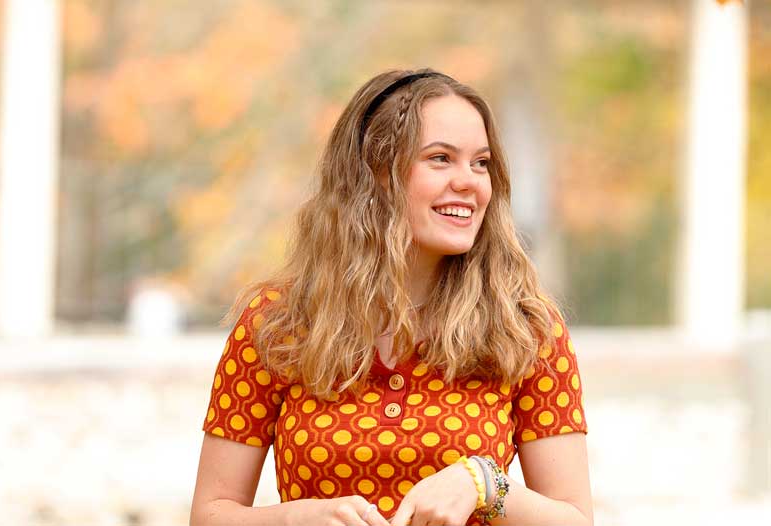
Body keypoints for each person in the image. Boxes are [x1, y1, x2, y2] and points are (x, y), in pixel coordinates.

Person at [190, 68, 592, 526]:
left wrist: (484, 483)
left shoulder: (525, 327)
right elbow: (210, 515)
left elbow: (576, 519)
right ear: (375, 173)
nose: (470, 182)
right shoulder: (277, 324)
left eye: (481, 163)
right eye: (440, 158)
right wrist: (293, 520)